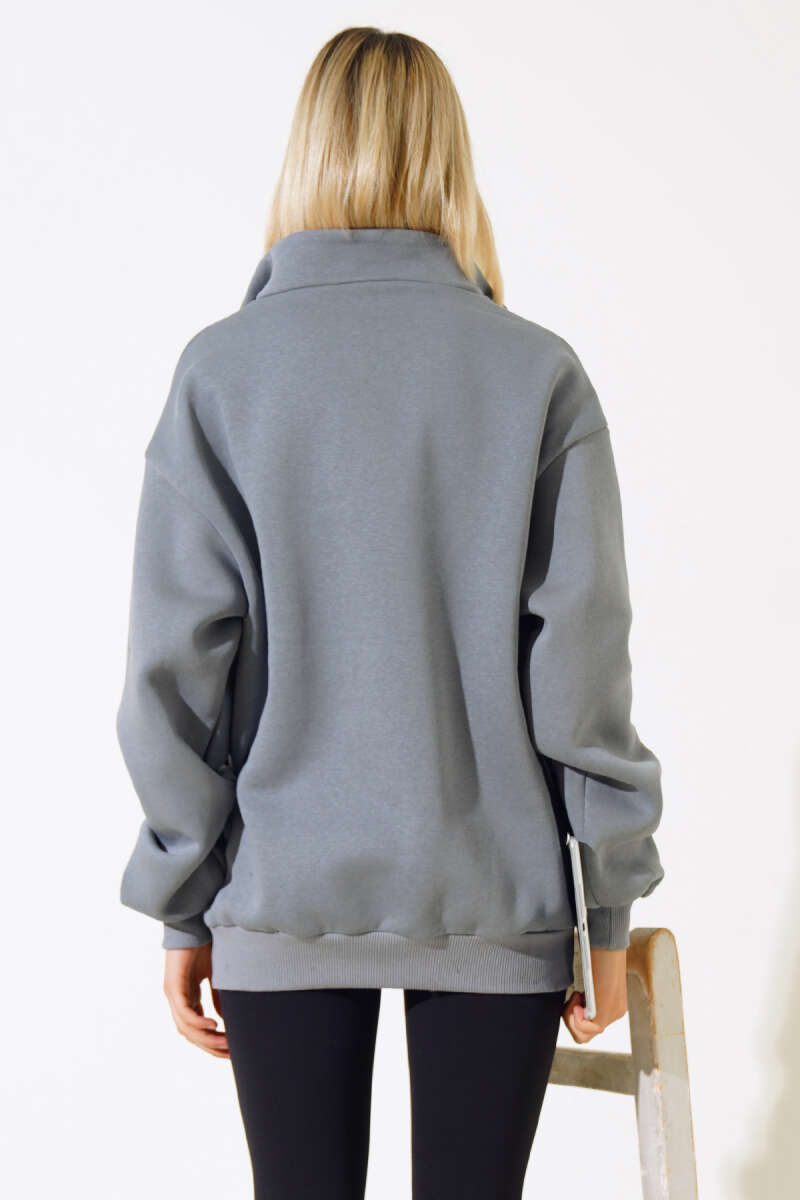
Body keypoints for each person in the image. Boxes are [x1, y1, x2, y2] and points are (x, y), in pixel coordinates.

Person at [116, 25, 665, 1200]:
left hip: (280, 895)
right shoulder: (532, 373)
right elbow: (581, 673)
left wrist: (183, 902)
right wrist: (606, 909)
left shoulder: (223, 373)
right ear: (448, 158)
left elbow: (174, 675)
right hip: (494, 900)